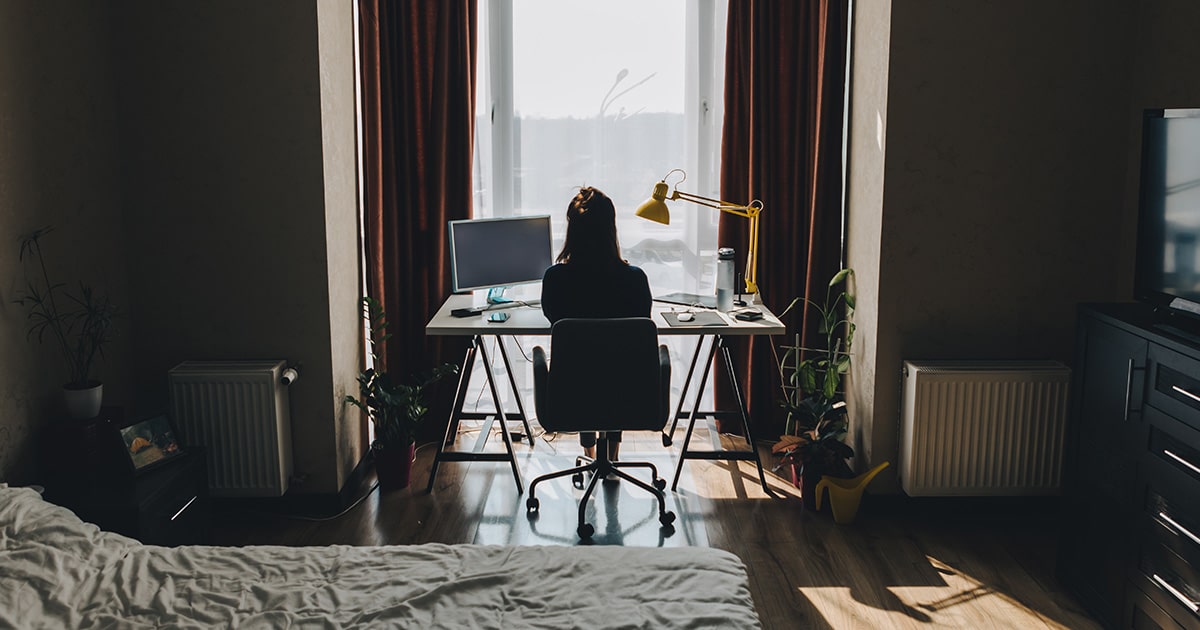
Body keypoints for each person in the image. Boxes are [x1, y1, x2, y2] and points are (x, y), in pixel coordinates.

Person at [541, 186, 652, 466]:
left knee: (584, 363)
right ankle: (612, 456)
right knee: (615, 364)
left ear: (572, 230)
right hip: (631, 398)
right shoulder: (635, 280)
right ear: (611, 228)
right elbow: (634, 337)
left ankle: (590, 454)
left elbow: (560, 326)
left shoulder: (555, 280)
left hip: (570, 397)